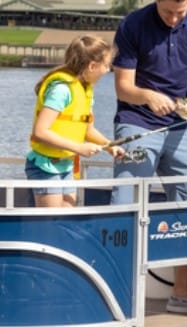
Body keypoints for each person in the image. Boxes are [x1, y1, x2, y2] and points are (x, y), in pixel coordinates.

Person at [110, 0, 187, 314]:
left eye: (181, 12)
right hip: (136, 122)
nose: (174, 19)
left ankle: (182, 294)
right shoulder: (132, 24)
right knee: (124, 200)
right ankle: (118, 291)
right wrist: (147, 96)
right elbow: (123, 87)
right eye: (168, 11)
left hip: (181, 126)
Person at [26, 35, 124, 207]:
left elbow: (88, 131)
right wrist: (79, 148)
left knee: (67, 218)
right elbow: (40, 131)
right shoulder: (61, 90)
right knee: (52, 223)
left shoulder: (85, 90)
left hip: (66, 165)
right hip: (46, 166)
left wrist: (109, 146)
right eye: (106, 65)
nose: (108, 70)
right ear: (92, 66)